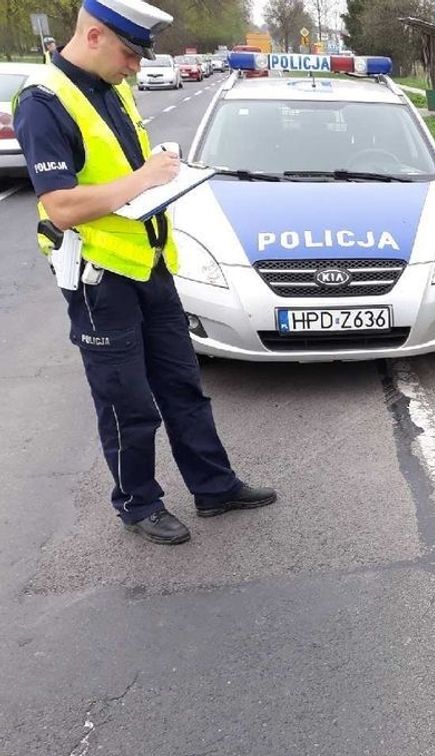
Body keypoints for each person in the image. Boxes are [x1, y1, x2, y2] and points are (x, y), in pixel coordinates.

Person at [12, 0, 276, 546]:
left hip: (149, 265)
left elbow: (125, 174)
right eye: (129, 53)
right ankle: (138, 504)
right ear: (92, 37)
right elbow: (60, 205)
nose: (136, 67)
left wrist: (163, 175)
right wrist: (147, 178)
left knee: (183, 385)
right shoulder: (43, 102)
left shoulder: (110, 87)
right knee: (125, 400)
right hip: (99, 279)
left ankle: (214, 487)